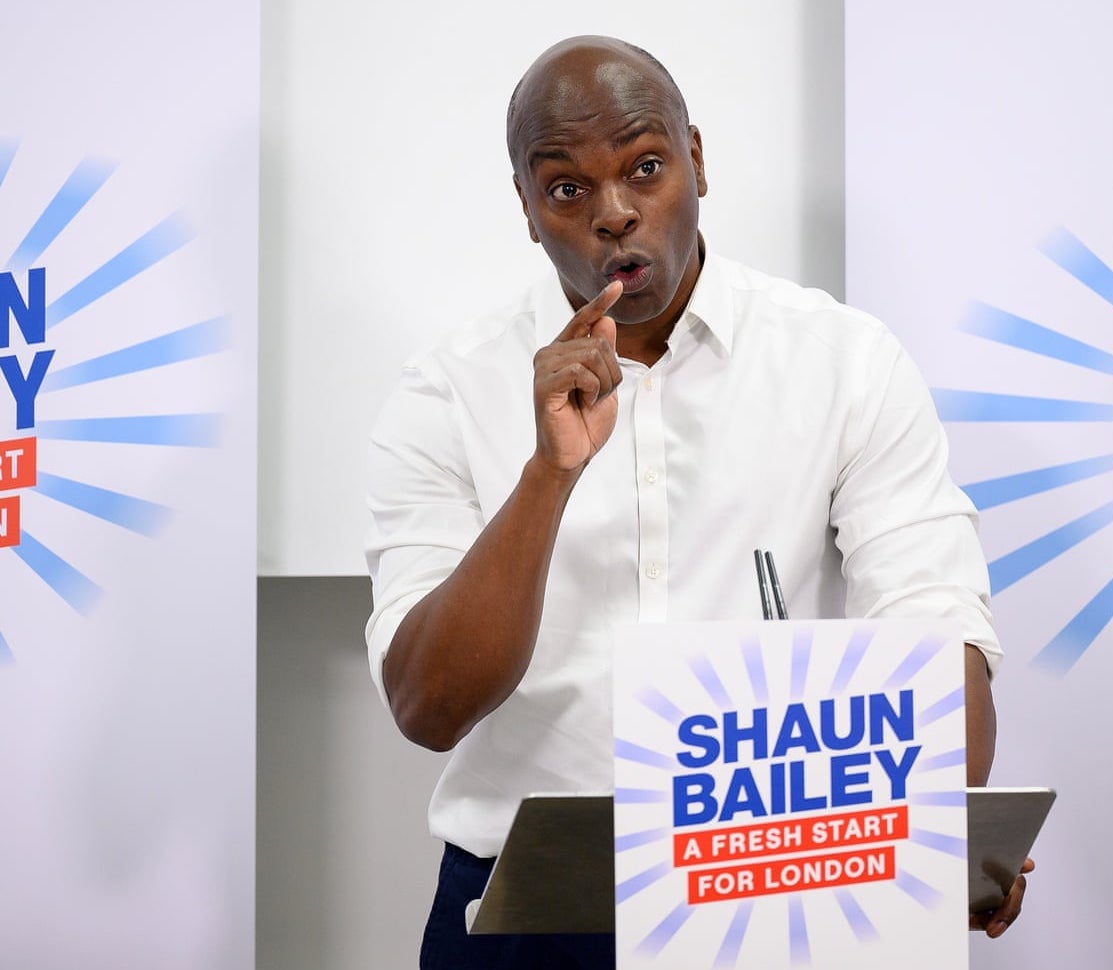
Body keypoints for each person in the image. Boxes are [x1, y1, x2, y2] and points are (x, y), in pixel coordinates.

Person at [365, 35, 1029, 969]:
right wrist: (548, 474)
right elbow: (428, 707)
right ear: (527, 210)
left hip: (777, 880)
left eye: (645, 167)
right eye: (567, 188)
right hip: (527, 912)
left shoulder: (844, 361)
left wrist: (932, 841)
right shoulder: (446, 389)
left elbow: (936, 629)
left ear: (697, 161)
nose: (614, 213)